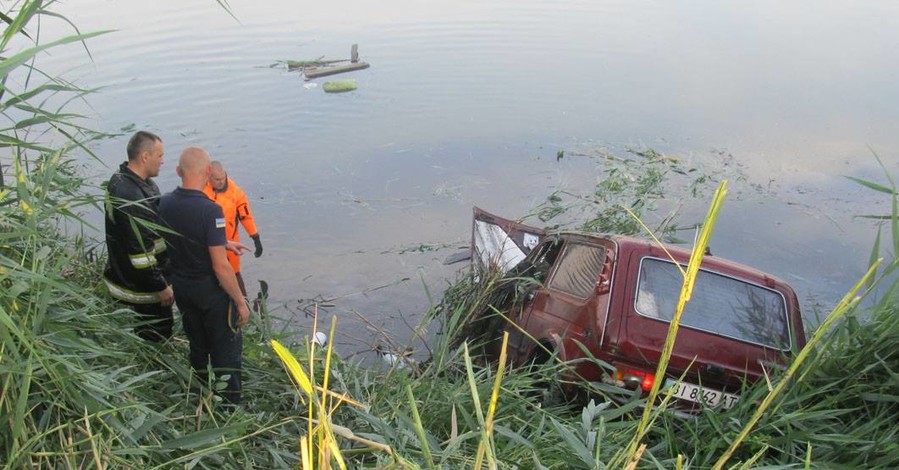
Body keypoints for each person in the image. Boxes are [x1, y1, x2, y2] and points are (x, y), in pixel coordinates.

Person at [158, 147, 251, 405]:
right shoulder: (210, 210)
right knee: (226, 350)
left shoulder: (165, 203)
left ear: (178, 172)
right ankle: (230, 406)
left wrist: (223, 242)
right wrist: (241, 302)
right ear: (209, 173)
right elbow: (221, 267)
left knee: (197, 343)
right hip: (210, 292)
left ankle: (199, 394)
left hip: (183, 289)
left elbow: (184, 236)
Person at [103, 130, 174, 342]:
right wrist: (161, 287)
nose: (163, 161)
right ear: (145, 156)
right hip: (142, 290)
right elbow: (140, 254)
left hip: (134, 278)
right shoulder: (131, 195)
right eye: (160, 156)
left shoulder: (125, 179)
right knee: (157, 337)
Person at [202, 161, 263, 297]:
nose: (221, 182)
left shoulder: (236, 193)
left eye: (223, 178)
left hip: (231, 244)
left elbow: (246, 216)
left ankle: (246, 308)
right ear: (208, 177)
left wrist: (255, 238)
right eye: (217, 179)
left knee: (235, 276)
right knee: (211, 277)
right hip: (209, 244)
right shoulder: (201, 192)